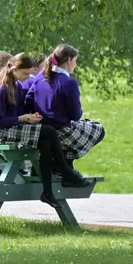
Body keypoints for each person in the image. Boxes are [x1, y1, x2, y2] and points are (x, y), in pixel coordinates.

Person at [0, 52, 64, 205]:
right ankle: (65, 170)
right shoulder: (1, 87)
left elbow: (15, 114)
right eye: (25, 73)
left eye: (30, 73)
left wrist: (29, 118)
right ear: (14, 68)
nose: (27, 77)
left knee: (45, 142)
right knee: (49, 131)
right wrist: (21, 118)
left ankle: (47, 191)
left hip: (8, 128)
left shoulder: (15, 85)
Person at [29, 44, 97, 187]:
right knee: (98, 129)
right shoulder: (69, 82)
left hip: (41, 128)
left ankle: (64, 165)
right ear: (68, 60)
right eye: (75, 61)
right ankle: (66, 164)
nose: (76, 65)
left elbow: (28, 100)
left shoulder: (41, 77)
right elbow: (75, 115)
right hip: (61, 130)